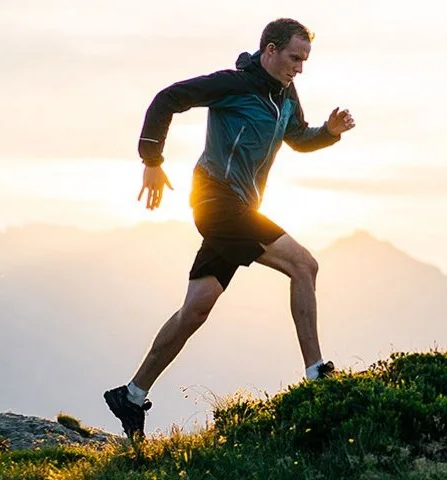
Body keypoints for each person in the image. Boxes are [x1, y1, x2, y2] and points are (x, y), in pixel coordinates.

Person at [103, 18, 356, 441]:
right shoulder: (233, 84)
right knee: (304, 265)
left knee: (196, 308)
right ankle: (317, 374)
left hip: (242, 206)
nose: (300, 67)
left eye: (305, 60)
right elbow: (168, 98)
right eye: (294, 57)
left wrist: (327, 134)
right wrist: (152, 160)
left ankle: (131, 394)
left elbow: (297, 138)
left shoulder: (286, 96)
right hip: (216, 201)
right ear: (270, 50)